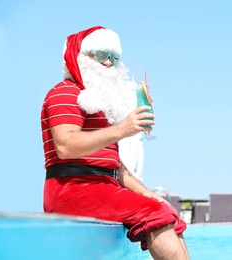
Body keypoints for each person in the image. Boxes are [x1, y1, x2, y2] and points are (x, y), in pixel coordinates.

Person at [41, 26, 189, 260]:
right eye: (102, 56)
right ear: (80, 58)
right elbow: (66, 146)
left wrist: (149, 193)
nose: (109, 63)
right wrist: (123, 129)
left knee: (168, 212)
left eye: (114, 57)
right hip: (73, 189)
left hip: (102, 186)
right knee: (156, 214)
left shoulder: (101, 109)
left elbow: (113, 166)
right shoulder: (65, 93)